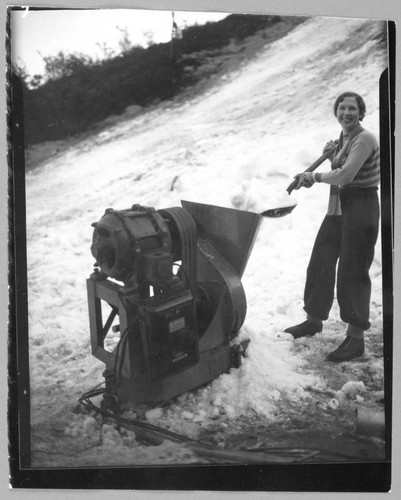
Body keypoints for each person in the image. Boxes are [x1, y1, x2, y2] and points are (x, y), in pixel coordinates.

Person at [284, 92, 380, 362]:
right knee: (320, 261)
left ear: (361, 112)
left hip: (361, 207)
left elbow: (347, 175)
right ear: (336, 112)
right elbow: (341, 166)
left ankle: (356, 339)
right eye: (342, 108)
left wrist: (314, 176)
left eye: (352, 108)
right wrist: (330, 156)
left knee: (353, 271)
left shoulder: (365, 138)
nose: (346, 113)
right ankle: (313, 320)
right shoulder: (344, 138)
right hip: (338, 207)